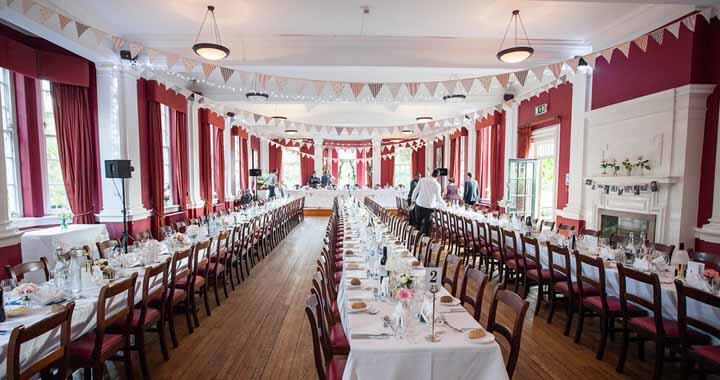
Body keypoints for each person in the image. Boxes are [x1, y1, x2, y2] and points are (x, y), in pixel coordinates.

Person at [410, 169, 446, 235]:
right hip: (429, 207)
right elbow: (439, 198)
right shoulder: (437, 185)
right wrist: (444, 204)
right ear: (438, 177)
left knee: (418, 224)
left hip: (419, 204)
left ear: (432, 173)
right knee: (426, 226)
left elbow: (415, 191)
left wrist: (413, 200)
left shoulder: (422, 180)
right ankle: (424, 242)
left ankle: (415, 240)